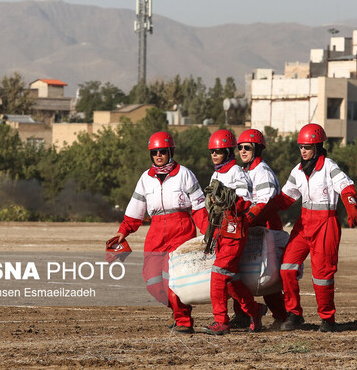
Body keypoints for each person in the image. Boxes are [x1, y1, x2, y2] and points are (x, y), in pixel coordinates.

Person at [263, 123, 357, 332]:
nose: (303, 150)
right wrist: (258, 214)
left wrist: (352, 207)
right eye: (301, 146)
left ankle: (328, 319)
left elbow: (346, 187)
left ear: (318, 147)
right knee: (287, 268)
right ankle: (294, 314)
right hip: (304, 224)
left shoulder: (329, 166)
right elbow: (284, 198)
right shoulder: (298, 170)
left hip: (326, 224)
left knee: (322, 275)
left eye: (307, 147)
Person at [106, 131, 207, 334]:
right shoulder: (146, 178)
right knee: (152, 281)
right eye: (154, 152)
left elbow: (198, 207)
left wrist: (207, 232)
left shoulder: (185, 174)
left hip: (181, 228)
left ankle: (183, 321)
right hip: (155, 230)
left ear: (170, 151)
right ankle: (176, 307)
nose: (158, 155)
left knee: (173, 280)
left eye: (162, 151)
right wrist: (123, 232)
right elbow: (136, 210)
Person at [203, 129, 266, 335]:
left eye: (219, 151)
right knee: (230, 280)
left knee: (218, 274)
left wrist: (228, 198)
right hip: (221, 230)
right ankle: (255, 311)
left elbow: (245, 200)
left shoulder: (236, 172)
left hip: (234, 229)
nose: (214, 155)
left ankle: (221, 322)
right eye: (212, 151)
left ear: (228, 152)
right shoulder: (217, 173)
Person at [227, 128, 287, 330]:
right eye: (240, 148)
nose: (242, 151)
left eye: (247, 147)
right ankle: (242, 315)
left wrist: (249, 217)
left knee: (267, 276)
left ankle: (282, 315)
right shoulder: (243, 171)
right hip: (250, 224)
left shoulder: (262, 171)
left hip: (265, 225)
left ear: (257, 149)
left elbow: (265, 200)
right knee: (242, 271)